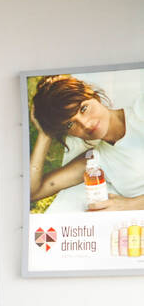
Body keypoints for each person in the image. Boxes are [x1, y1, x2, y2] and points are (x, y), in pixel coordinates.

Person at [29, 74, 144, 213]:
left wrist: (131, 205)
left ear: (94, 96)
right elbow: (33, 192)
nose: (85, 124)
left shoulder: (140, 112)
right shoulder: (95, 159)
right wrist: (45, 135)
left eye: (84, 108)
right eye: (70, 124)